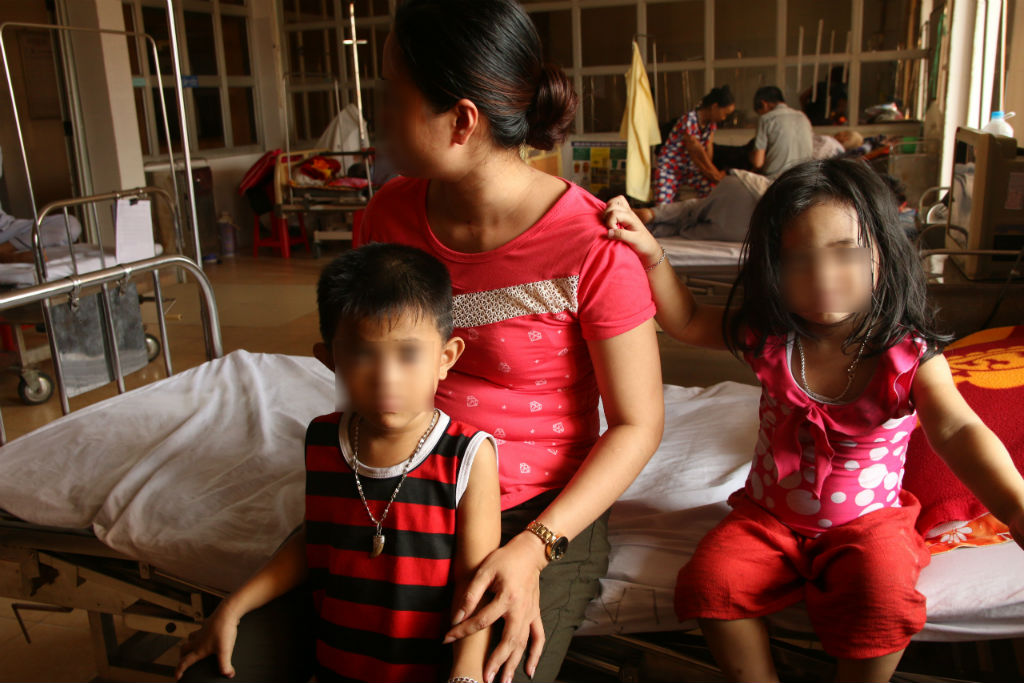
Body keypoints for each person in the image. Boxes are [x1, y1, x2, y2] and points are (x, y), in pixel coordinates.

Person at [602, 158, 1024, 683]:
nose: (822, 277)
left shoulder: (909, 358)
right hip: (767, 519)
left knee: (883, 598)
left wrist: (1015, 505)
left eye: (845, 252)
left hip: (869, 525)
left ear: (883, 254)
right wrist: (651, 253)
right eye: (798, 259)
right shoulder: (770, 336)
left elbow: (958, 430)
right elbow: (686, 320)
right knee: (711, 582)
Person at [357, 2, 665, 682]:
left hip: (535, 511)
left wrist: (533, 547)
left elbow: (638, 423)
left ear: (461, 121)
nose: (378, 114)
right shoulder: (384, 220)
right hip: (404, 484)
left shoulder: (593, 246)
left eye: (392, 95)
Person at [176, 243, 501, 683]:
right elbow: (315, 541)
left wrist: (466, 674)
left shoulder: (468, 456)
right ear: (329, 360)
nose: (386, 377)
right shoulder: (324, 439)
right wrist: (233, 605)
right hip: (336, 666)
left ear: (446, 358)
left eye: (408, 354)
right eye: (363, 354)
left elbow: (474, 581)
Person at [636, 170, 771, 243]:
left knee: (695, 210)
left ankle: (653, 214)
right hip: (751, 227)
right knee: (686, 230)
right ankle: (649, 223)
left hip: (743, 187)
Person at [654, 86, 736, 202]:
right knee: (662, 205)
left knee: (715, 194)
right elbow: (696, 154)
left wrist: (713, 174)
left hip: (691, 170)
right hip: (670, 169)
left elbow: (708, 150)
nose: (724, 118)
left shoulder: (711, 125)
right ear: (715, 107)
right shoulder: (689, 120)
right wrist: (715, 174)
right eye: (725, 114)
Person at [749, 86, 814, 178]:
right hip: (803, 178)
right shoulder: (803, 117)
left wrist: (751, 157)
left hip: (776, 179)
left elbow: (758, 163)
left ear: (764, 104)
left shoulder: (766, 119)